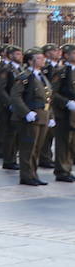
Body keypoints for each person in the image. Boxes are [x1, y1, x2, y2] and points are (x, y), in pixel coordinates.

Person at [11, 47, 56, 187]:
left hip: (43, 116)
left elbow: (49, 98)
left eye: (42, 58)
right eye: (38, 58)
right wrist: (26, 112)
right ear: (30, 61)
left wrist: (51, 116)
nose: (42, 60)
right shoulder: (25, 76)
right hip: (32, 117)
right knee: (28, 148)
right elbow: (15, 96)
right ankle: (26, 176)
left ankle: (33, 174)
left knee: (37, 148)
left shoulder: (42, 76)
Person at [0, 44, 22, 170]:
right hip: (8, 106)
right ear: (10, 56)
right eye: (17, 54)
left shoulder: (20, 69)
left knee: (16, 133)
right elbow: (0, 89)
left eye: (21, 54)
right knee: (9, 132)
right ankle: (8, 158)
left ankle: (13, 156)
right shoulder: (6, 69)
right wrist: (10, 103)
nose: (20, 56)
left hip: (17, 106)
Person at [53, 44, 75, 183]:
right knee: (63, 142)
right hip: (65, 112)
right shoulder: (61, 72)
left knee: (72, 142)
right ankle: (61, 170)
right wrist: (66, 102)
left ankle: (67, 168)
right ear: (66, 55)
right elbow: (53, 93)